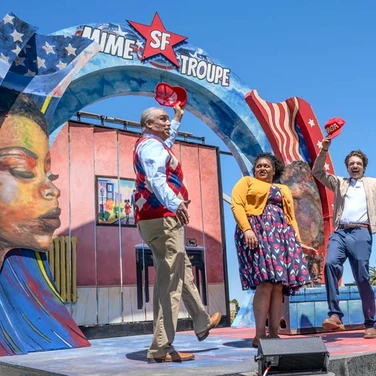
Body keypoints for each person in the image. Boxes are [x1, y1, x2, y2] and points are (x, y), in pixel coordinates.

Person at [133, 104, 221, 363]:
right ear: (149, 125)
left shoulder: (155, 143)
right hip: (162, 218)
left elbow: (167, 141)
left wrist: (178, 117)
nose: (167, 122)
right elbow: (156, 178)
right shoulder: (150, 147)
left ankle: (202, 321)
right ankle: (161, 347)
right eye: (163, 119)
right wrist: (176, 203)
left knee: (180, 272)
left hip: (155, 218)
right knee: (169, 283)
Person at [231, 152, 313, 348]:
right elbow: (237, 205)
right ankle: (260, 334)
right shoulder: (246, 182)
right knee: (265, 283)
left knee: (278, 285)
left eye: (266, 166)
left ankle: (274, 334)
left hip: (281, 237)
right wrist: (247, 230)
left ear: (274, 169)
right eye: (259, 166)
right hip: (256, 233)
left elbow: (290, 217)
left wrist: (298, 243)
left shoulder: (283, 189)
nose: (262, 168)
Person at [312, 137, 376, 339]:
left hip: (361, 233)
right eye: (351, 164)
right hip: (340, 232)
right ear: (347, 167)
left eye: (358, 163)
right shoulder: (340, 183)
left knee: (362, 278)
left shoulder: (373, 184)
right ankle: (335, 315)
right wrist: (324, 149)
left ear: (364, 166)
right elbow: (318, 172)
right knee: (330, 263)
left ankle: (371, 323)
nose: (355, 166)